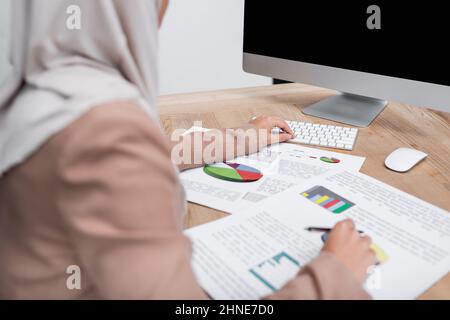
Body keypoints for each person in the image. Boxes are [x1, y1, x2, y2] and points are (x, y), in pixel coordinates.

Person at [0, 0, 376, 299]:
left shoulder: (35, 94)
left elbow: (149, 154)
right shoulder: (101, 129)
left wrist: (243, 138)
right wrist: (333, 276)